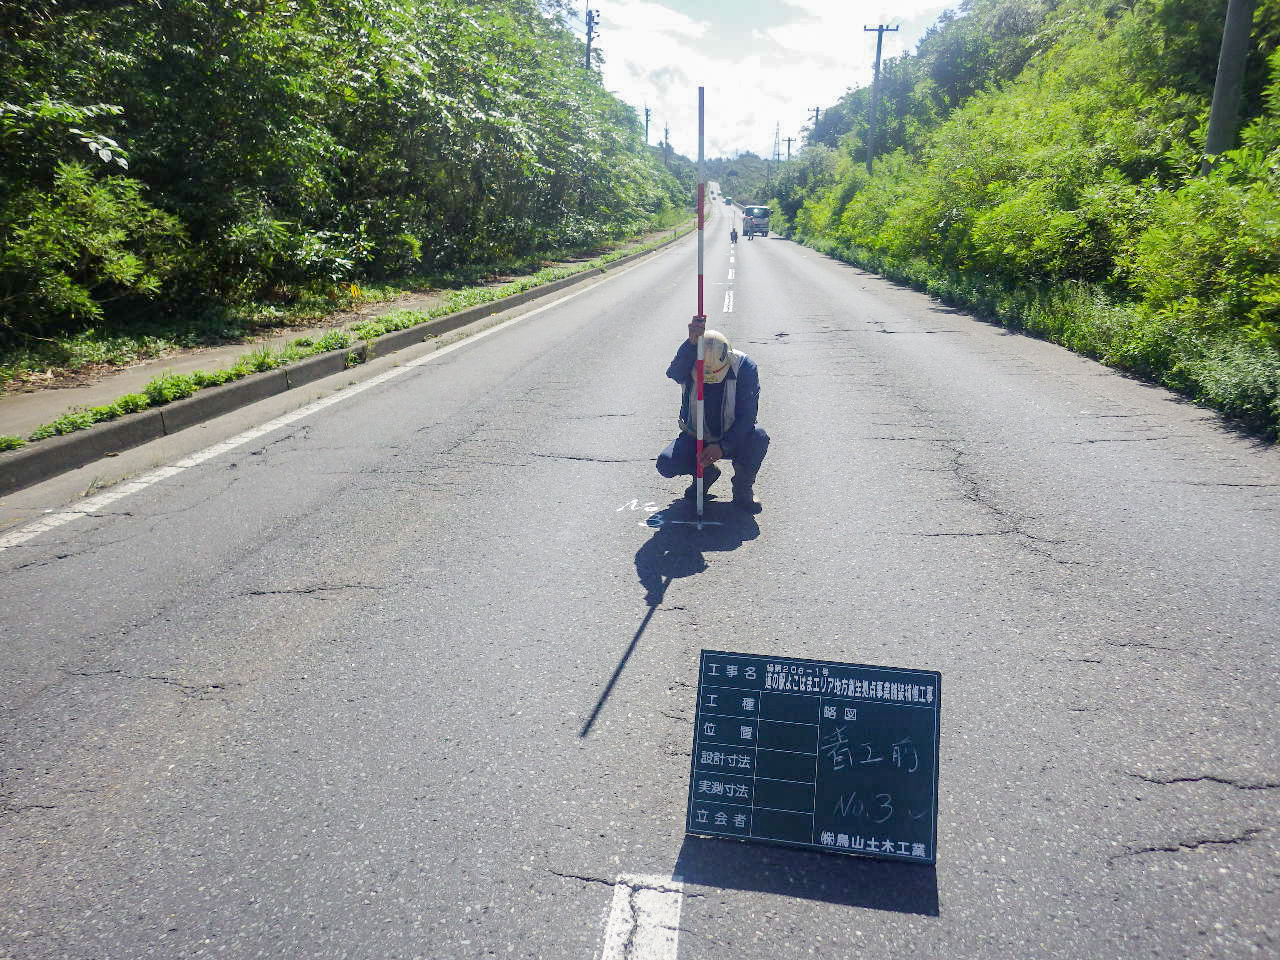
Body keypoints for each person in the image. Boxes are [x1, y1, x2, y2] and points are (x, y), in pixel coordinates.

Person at [656, 319, 768, 513]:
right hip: (696, 435)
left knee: (758, 438)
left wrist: (723, 447)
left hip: (732, 435)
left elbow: (747, 417)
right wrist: (690, 343)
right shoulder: (691, 358)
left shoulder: (745, 368)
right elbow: (673, 373)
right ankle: (705, 475)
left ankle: (743, 489)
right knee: (667, 464)